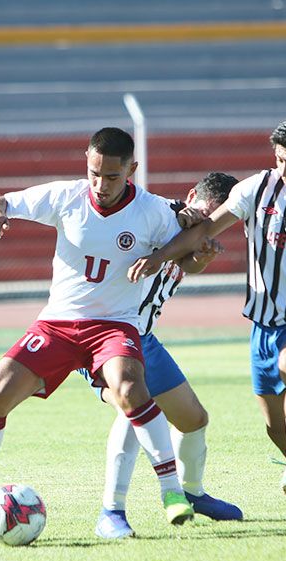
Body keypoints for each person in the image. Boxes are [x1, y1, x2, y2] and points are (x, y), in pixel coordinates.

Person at [128, 113, 286, 527]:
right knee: (275, 428)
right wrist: (158, 258)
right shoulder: (257, 188)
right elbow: (206, 227)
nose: (285, 171)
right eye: (280, 159)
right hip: (263, 325)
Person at [0, 127, 195, 544]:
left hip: (114, 324)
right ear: (87, 161)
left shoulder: (154, 211)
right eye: (94, 172)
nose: (100, 184)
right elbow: (2, 200)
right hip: (57, 323)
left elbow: (194, 238)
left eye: (112, 176)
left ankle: (171, 491)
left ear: (132, 170)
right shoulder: (66, 196)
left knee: (132, 389)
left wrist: (159, 256)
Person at [81, 172, 244, 539]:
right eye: (206, 216)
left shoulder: (196, 237)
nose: (208, 227)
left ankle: (193, 492)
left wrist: (201, 256)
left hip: (144, 339)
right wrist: (185, 226)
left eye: (217, 224)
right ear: (190, 197)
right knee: (135, 408)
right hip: (103, 334)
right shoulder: (156, 217)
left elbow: (187, 262)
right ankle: (111, 511)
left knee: (193, 420)